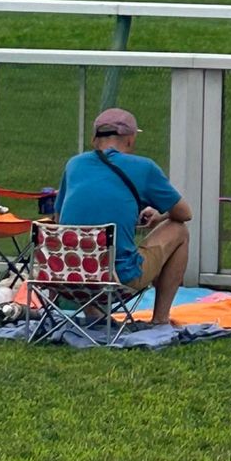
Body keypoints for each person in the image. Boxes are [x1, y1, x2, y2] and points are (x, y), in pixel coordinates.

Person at [55, 107, 192, 326]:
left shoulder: (74, 164)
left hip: (66, 276)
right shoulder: (143, 167)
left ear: (93, 139)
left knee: (84, 237)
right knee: (179, 230)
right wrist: (159, 216)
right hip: (116, 278)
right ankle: (160, 319)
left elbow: (58, 217)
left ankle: (93, 312)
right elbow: (185, 213)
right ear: (130, 139)